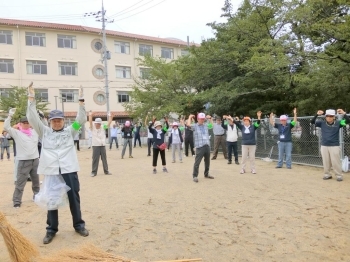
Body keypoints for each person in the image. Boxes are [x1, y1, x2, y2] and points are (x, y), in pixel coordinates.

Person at [26, 84, 89, 244]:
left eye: (60, 120)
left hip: (69, 169)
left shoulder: (70, 131)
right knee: (52, 199)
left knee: (74, 197)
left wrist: (81, 101)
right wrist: (31, 99)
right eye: (54, 120)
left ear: (63, 120)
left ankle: (79, 225)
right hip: (52, 171)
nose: (57, 122)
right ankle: (51, 230)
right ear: (50, 121)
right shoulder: (44, 132)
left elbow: (81, 119)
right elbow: (32, 118)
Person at [4, 115, 40, 208]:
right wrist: (10, 116)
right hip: (23, 161)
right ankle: (17, 201)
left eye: (28, 123)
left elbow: (42, 126)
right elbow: (6, 127)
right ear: (20, 124)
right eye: (24, 123)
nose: (26, 124)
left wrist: (40, 117)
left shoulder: (34, 132)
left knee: (36, 182)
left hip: (35, 160)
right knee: (20, 183)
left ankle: (37, 196)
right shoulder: (17, 133)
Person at [311, 109, 350, 181]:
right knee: (326, 161)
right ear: (325, 117)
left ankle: (339, 175)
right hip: (324, 145)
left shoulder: (338, 123)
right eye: (327, 116)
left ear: (334, 117)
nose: (329, 117)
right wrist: (317, 114)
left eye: (331, 116)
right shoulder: (322, 123)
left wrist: (344, 113)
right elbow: (312, 122)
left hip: (334, 145)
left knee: (336, 161)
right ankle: (327, 174)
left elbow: (348, 121)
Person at [187, 113, 214, 183]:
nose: (202, 120)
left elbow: (212, 125)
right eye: (200, 119)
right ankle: (195, 175)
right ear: (198, 119)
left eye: (203, 119)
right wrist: (189, 117)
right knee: (197, 162)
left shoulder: (205, 125)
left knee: (207, 161)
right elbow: (188, 125)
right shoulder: (195, 126)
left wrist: (210, 118)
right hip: (199, 146)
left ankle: (206, 173)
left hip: (207, 145)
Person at [89, 112, 113, 177]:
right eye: (97, 123)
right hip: (95, 145)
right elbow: (90, 122)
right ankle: (93, 172)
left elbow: (109, 123)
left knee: (104, 159)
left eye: (99, 123)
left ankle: (106, 171)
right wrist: (90, 116)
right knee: (95, 159)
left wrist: (111, 117)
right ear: (95, 123)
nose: (98, 125)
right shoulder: (92, 127)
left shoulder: (102, 127)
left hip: (102, 145)